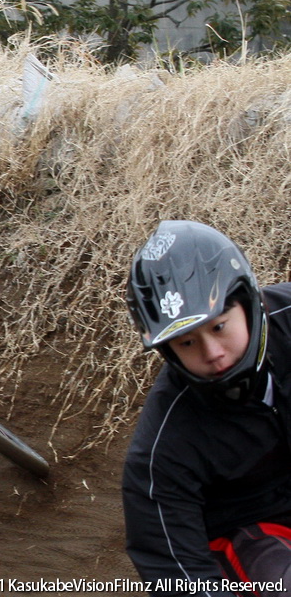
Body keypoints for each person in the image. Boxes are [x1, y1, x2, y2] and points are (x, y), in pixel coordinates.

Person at [123, 220, 291, 596]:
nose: (212, 354)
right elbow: (174, 572)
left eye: (218, 327)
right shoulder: (161, 449)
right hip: (254, 532)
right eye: (185, 343)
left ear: (248, 302)